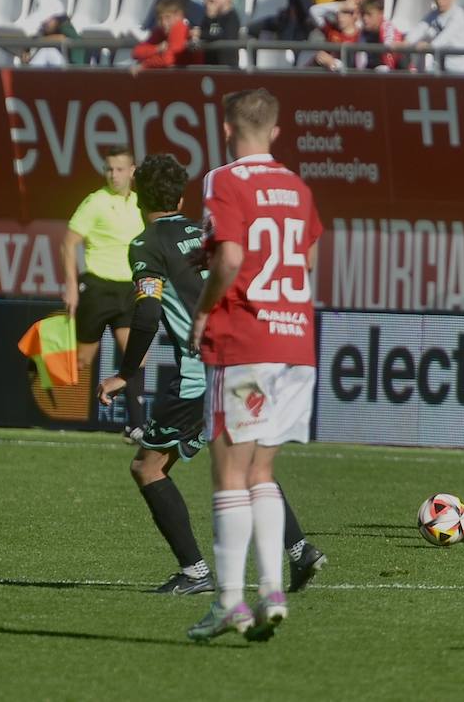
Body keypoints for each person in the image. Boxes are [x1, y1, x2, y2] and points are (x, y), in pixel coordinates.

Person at [93, 154, 326, 596]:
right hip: (245, 356)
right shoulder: (208, 233)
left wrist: (125, 372)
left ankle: (195, 573)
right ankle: (299, 550)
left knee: (147, 467)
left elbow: (147, 311)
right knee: (247, 463)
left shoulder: (145, 245)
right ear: (182, 196)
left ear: (138, 196)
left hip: (200, 373)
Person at [186, 87, 324, 642]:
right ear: (275, 131)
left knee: (228, 474)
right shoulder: (297, 186)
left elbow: (235, 257)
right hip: (297, 344)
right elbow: (309, 257)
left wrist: (204, 308)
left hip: (245, 339)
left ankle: (228, 602)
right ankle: (270, 590)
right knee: (262, 471)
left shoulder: (223, 180)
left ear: (226, 129)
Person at [63, 146, 145, 441]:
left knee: (137, 357)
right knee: (82, 361)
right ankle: (38, 365)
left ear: (133, 171)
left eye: (120, 169)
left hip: (127, 290)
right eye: (109, 169)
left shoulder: (139, 203)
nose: (114, 174)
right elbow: (69, 242)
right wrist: (72, 284)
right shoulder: (95, 202)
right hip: (97, 287)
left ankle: (135, 425)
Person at [404, 0, 464, 73]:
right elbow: (421, 27)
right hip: (440, 67)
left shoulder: (458, 14)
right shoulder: (434, 14)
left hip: (459, 69)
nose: (439, 1)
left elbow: (446, 36)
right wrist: (406, 41)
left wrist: (430, 46)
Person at [131, 0, 196, 74]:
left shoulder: (180, 27)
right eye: (160, 18)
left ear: (179, 16)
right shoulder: (160, 30)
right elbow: (136, 52)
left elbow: (167, 60)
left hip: (194, 75)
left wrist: (144, 65)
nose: (164, 23)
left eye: (168, 17)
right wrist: (157, 49)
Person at [22, 0, 88, 67]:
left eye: (46, 22)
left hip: (68, 73)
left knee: (48, 51)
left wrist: (37, 41)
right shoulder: (43, 30)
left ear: (57, 18)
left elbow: (62, 38)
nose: (43, 24)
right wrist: (27, 50)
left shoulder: (66, 28)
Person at [193, 0, 241, 68]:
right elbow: (205, 33)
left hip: (227, 68)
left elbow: (225, 37)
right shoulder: (210, 16)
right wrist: (209, 17)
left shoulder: (232, 17)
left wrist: (201, 34)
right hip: (209, 65)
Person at [310, 0, 362, 72]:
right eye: (337, 12)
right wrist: (341, 5)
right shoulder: (331, 30)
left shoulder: (361, 36)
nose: (340, 17)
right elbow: (314, 10)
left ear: (354, 15)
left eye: (345, 12)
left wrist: (332, 62)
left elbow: (356, 68)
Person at [357, 0, 405, 71]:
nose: (365, 18)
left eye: (369, 14)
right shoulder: (363, 32)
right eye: (363, 14)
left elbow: (390, 60)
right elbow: (360, 64)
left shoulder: (388, 29)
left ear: (380, 14)